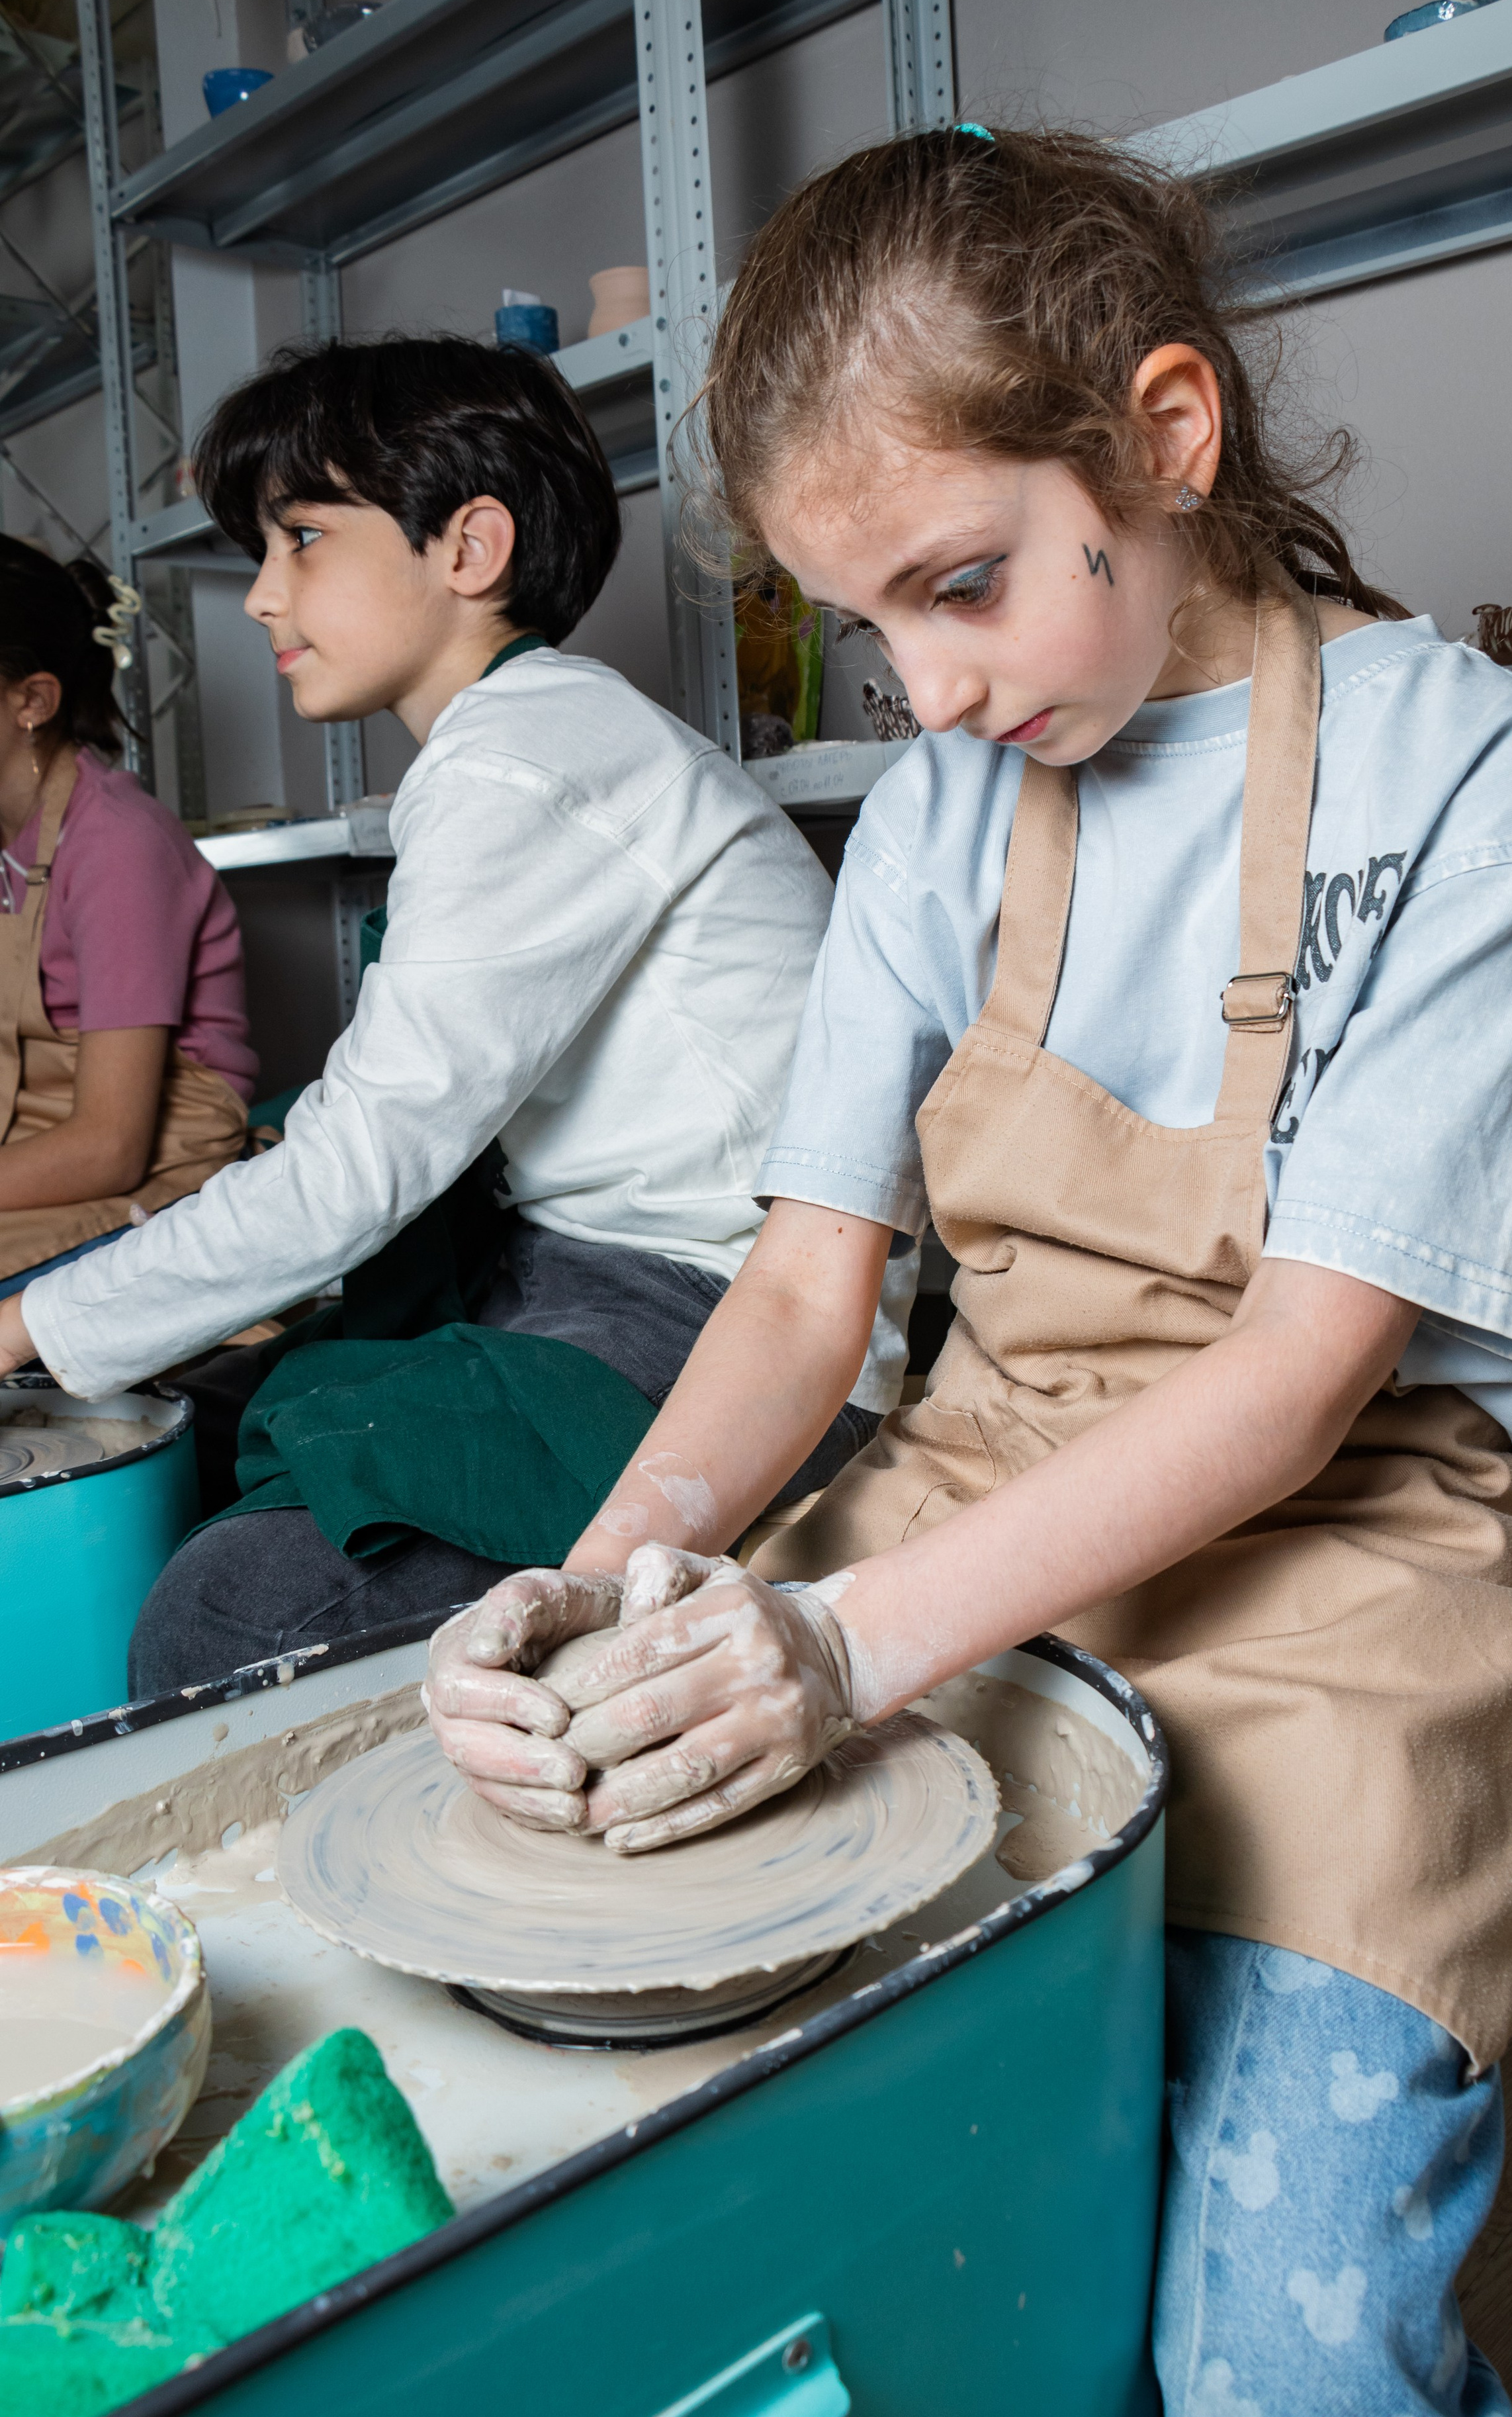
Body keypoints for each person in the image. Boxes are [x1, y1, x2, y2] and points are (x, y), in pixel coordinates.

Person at [422, 133, 1512, 2417]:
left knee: (1280, 2381)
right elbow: (804, 1289)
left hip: (1343, 1572)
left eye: (964, 585)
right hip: (977, 1479)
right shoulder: (937, 812)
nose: (931, 687)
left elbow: (1298, 1388)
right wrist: (602, 1587)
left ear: (1165, 436)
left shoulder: (1475, 783)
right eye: (874, 627)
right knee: (758, 2157)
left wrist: (845, 1653)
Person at [0, 336, 908, 1684]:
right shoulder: (510, 742)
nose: (260, 596)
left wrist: (18, 1321)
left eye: (301, 538)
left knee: (224, 1621)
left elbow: (354, 1172)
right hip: (558, 1259)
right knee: (186, 1417)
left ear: (469, 548)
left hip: (717, 1313)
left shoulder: (529, 755)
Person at [0, 538, 253, 1297]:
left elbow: (111, 1146)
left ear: (33, 703)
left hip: (150, 1167)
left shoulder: (116, 844)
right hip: (37, 1151)